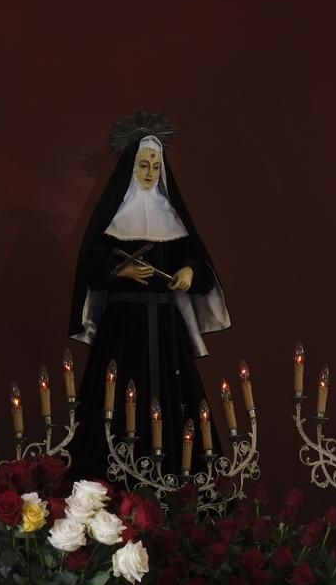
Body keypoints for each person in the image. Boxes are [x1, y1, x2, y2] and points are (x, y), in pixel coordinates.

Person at [67, 111, 231, 476]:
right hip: (121, 327)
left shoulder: (171, 216)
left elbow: (198, 262)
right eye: (143, 164)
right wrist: (119, 270)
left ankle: (176, 481)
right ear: (130, 167)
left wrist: (188, 270)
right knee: (115, 398)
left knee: (174, 399)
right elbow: (91, 267)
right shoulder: (113, 219)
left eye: (155, 165)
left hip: (165, 327)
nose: (149, 172)